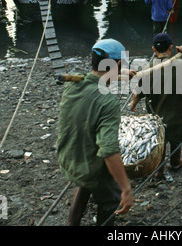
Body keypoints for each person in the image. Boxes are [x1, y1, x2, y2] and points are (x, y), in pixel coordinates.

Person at [56, 39, 134, 226]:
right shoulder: (107, 101)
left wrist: (121, 73)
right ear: (116, 64)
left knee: (85, 183)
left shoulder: (73, 85)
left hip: (69, 159)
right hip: (90, 164)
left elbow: (99, 76)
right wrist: (126, 188)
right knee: (111, 196)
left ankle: (72, 222)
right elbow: (108, 150)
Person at [130, 33, 182, 179]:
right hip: (176, 114)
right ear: (171, 48)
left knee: (159, 140)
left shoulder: (148, 69)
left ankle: (159, 170)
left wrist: (133, 103)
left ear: (153, 49)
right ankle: (176, 162)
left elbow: (139, 93)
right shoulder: (180, 65)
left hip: (156, 114)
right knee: (176, 138)